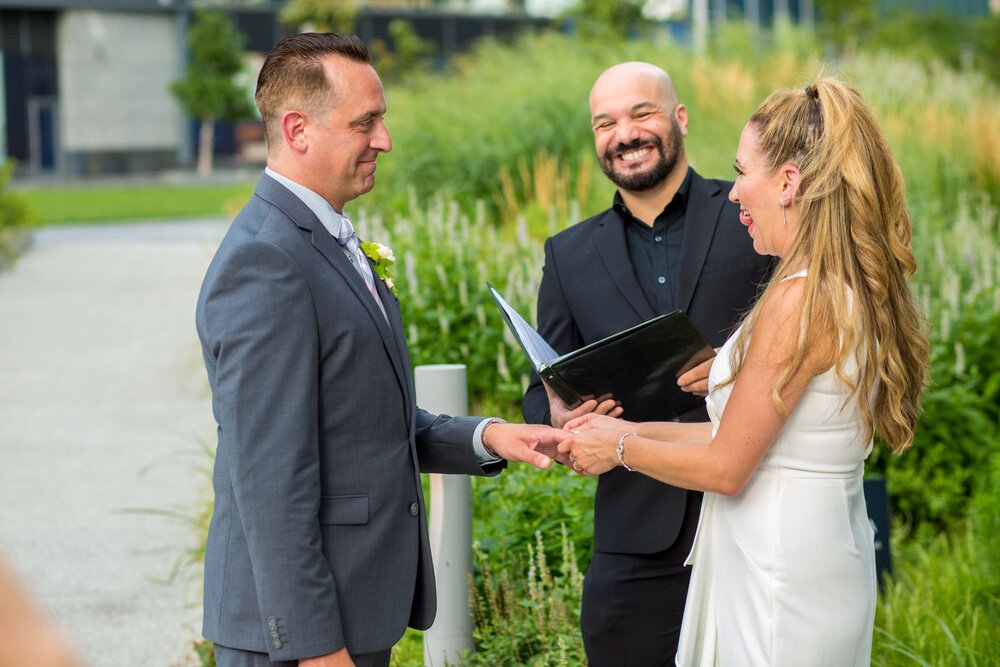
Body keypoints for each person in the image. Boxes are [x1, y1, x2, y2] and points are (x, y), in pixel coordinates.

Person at [195, 33, 569, 667]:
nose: (385, 140)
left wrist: (491, 438)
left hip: (356, 613)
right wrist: (317, 652)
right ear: (298, 129)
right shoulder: (266, 262)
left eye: (383, 119)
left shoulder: (320, 236)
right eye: (365, 122)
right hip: (302, 637)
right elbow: (269, 483)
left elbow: (360, 423)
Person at [559, 77, 930, 666]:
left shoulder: (797, 301)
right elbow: (745, 441)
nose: (733, 194)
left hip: (778, 567)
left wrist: (622, 446)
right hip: (814, 546)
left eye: (742, 172)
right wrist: (608, 436)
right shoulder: (838, 285)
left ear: (787, 183)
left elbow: (727, 465)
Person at [521, 62, 773, 664]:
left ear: (679, 118)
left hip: (755, 511)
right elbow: (538, 393)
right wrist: (562, 411)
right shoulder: (568, 254)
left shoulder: (752, 215)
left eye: (641, 113)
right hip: (636, 532)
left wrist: (736, 365)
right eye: (605, 123)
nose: (624, 134)